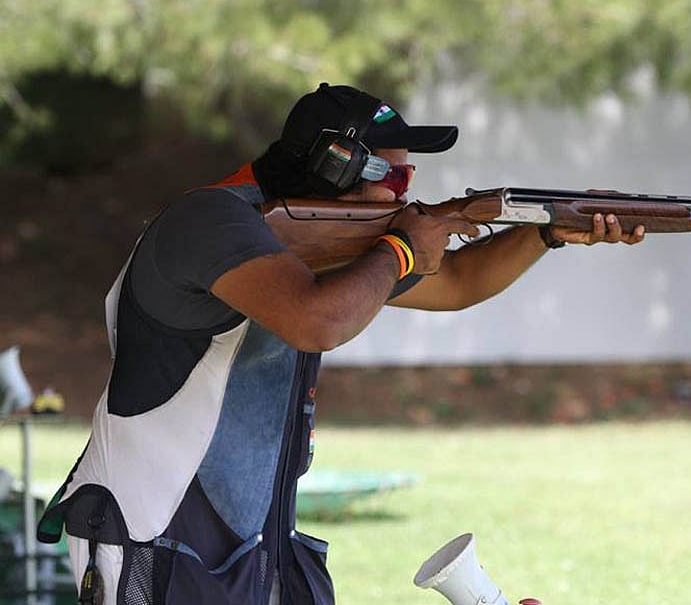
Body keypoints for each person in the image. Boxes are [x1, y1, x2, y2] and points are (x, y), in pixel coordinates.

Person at [37, 83, 645, 604]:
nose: (407, 195)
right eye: (399, 176)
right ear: (340, 169)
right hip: (157, 537)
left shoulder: (315, 248)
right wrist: (401, 247)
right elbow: (317, 321)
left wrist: (545, 233)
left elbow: (456, 283)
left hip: (252, 537)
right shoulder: (209, 223)